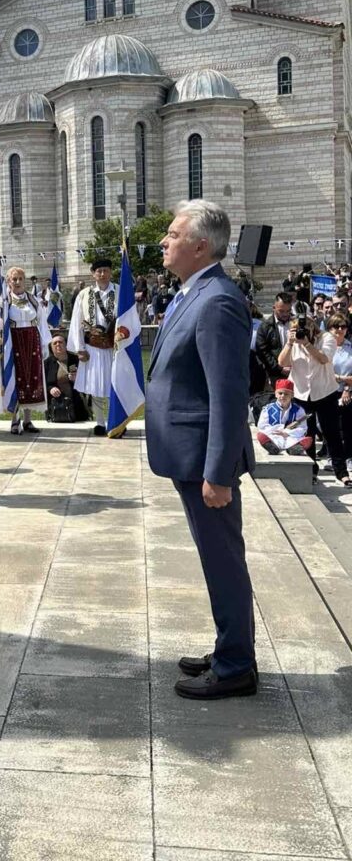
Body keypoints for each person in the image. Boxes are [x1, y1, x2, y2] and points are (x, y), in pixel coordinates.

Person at [145, 199, 257, 700]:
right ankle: (230, 647)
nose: (163, 241)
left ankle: (236, 667)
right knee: (217, 558)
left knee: (222, 560)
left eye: (173, 234)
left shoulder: (217, 301)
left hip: (203, 461)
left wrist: (219, 473)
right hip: (187, 454)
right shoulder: (194, 292)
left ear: (200, 245)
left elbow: (228, 394)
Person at [277, 314, 352, 486]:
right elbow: (282, 362)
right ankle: (311, 471)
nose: (300, 332)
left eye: (302, 329)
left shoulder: (327, 338)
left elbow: (324, 359)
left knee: (332, 433)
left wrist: (307, 344)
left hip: (325, 392)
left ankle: (341, 472)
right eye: (296, 330)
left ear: (312, 327)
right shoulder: (293, 342)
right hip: (302, 393)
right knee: (306, 434)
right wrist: (289, 343)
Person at [0, 265, 51, 434]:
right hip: (12, 342)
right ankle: (15, 420)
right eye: (14, 279)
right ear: (8, 282)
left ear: (24, 281)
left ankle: (28, 420)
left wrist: (45, 344)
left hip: (31, 341)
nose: (17, 282)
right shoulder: (4, 300)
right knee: (14, 378)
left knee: (31, 378)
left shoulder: (33, 300)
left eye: (20, 279)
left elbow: (42, 322)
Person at [68, 258, 118, 436]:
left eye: (106, 270)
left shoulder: (120, 291)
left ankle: (116, 421)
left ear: (111, 272)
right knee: (95, 386)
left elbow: (129, 318)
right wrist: (79, 348)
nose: (103, 274)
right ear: (93, 274)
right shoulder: (84, 294)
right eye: (99, 271)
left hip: (114, 347)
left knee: (114, 385)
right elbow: (76, 321)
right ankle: (100, 422)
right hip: (92, 347)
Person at [256, 379, 311, 455]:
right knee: (265, 437)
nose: (283, 396)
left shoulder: (299, 410)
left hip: (290, 435)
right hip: (274, 434)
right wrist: (278, 431)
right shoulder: (267, 409)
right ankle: (273, 448)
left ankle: (293, 449)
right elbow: (262, 426)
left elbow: (303, 428)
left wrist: (286, 432)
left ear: (292, 395)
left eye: (286, 394)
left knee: (295, 440)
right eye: (280, 393)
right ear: (276, 394)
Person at [44, 334, 90, 422]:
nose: (58, 344)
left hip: (77, 409)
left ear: (66, 345)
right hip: (57, 410)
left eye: (60, 342)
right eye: (54, 343)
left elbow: (88, 379)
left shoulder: (76, 360)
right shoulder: (47, 363)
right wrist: (51, 389)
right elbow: (43, 384)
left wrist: (78, 379)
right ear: (51, 347)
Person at [254, 293, 293, 388]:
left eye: (288, 311)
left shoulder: (296, 323)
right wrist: (279, 369)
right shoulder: (265, 327)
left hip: (296, 372)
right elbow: (263, 352)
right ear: (274, 308)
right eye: (281, 311)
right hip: (275, 375)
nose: (285, 314)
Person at [330, 312, 352, 465]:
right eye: (336, 326)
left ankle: (349, 456)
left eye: (343, 326)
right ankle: (332, 457)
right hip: (327, 391)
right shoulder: (324, 347)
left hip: (347, 392)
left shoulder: (351, 348)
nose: (339, 329)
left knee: (348, 426)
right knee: (330, 427)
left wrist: (347, 387)